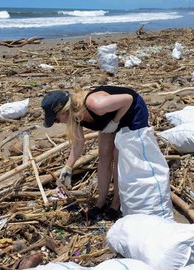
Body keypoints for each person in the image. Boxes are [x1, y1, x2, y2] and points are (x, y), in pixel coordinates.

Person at [41, 85, 149, 221]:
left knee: (117, 157)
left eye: (56, 119)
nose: (58, 123)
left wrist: (115, 122)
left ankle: (116, 203)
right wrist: (67, 167)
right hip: (109, 118)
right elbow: (79, 143)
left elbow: (129, 99)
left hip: (131, 112)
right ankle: (100, 203)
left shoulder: (95, 105)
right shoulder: (75, 116)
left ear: (65, 111)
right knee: (104, 155)